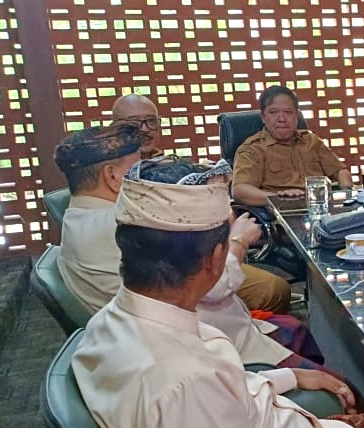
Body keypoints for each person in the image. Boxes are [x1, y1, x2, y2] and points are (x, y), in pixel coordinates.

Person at [72, 158, 364, 428]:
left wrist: (291, 376)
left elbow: (224, 396)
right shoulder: (185, 387)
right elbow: (201, 397)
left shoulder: (110, 322)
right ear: (215, 259)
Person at [54, 127, 327, 370]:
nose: (145, 177)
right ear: (113, 176)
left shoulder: (76, 217)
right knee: (324, 369)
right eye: (137, 168)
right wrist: (237, 240)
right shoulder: (127, 223)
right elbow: (213, 285)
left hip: (161, 334)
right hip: (202, 344)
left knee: (292, 326)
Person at [232, 85, 352, 205]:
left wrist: (348, 193)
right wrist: (280, 199)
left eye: (288, 112)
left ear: (296, 116)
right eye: (273, 112)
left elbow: (340, 171)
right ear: (263, 117)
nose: (282, 119)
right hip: (282, 211)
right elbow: (239, 191)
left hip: (321, 206)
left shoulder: (311, 140)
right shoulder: (252, 149)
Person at [111, 93, 162, 159]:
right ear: (116, 128)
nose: (145, 129)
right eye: (134, 122)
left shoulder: (166, 162)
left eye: (151, 120)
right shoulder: (107, 164)